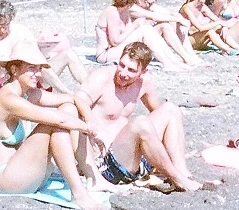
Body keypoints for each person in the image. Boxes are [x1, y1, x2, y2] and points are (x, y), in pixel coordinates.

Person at [0, 39, 108, 210]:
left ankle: (93, 178)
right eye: (31, 68)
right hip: (4, 180)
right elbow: (60, 121)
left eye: (39, 69)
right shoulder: (7, 99)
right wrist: (91, 130)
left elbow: (73, 98)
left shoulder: (27, 93)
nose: (38, 74)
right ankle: (78, 193)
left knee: (68, 108)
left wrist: (91, 120)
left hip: (25, 172)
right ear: (14, 70)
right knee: (54, 125)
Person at [78, 43, 205, 191]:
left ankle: (182, 172)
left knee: (171, 109)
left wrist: (159, 150)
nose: (123, 73)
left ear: (143, 72)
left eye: (131, 70)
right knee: (140, 123)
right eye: (121, 65)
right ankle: (178, 179)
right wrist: (90, 120)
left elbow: (158, 113)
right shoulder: (102, 77)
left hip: (133, 158)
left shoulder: (144, 83)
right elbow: (79, 99)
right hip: (107, 164)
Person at [0, 1, 85, 91]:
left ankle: (88, 89)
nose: (2, 29)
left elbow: (38, 56)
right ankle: (66, 93)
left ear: (10, 19)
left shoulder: (21, 30)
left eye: (5, 24)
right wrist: (6, 64)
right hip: (12, 81)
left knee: (68, 54)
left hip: (36, 75)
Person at [94, 0, 191, 70]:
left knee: (150, 29)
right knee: (145, 30)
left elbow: (155, 15)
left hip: (120, 48)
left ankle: (175, 62)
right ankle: (167, 63)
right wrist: (135, 26)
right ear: (131, 3)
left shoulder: (125, 10)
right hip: (106, 54)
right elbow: (115, 41)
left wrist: (140, 25)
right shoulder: (113, 12)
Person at [132, 0, 205, 67]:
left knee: (175, 25)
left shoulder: (149, 5)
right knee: (165, 26)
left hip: (145, 38)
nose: (150, 5)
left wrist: (181, 20)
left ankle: (192, 56)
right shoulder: (133, 8)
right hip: (134, 41)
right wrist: (178, 20)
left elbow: (169, 12)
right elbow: (154, 16)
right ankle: (186, 58)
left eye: (152, 3)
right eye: (149, 3)